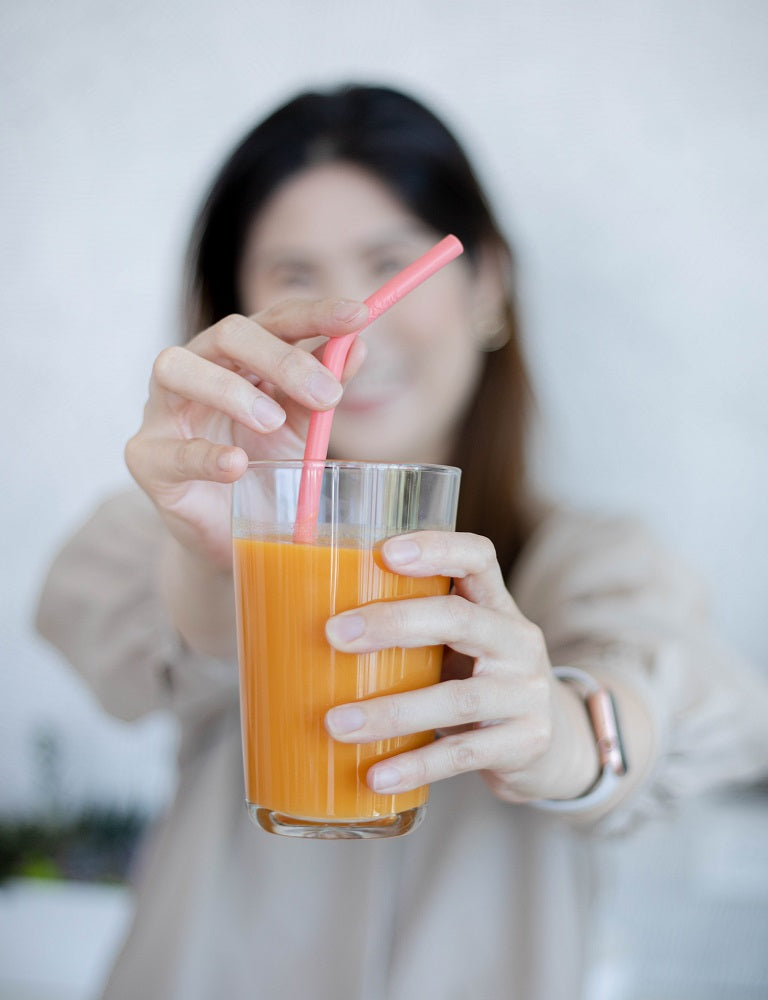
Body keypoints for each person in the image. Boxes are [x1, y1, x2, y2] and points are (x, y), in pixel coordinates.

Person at [36, 84, 768, 1000]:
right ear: (234, 308)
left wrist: (566, 732)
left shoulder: (591, 564)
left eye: (388, 262)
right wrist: (213, 554)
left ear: (487, 287)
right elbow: (106, 637)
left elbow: (715, 703)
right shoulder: (166, 524)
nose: (358, 328)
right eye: (293, 275)